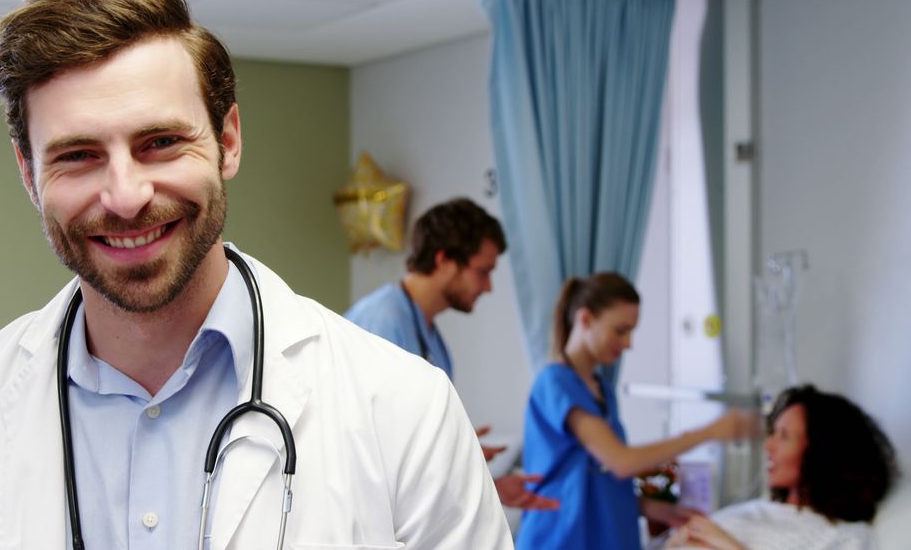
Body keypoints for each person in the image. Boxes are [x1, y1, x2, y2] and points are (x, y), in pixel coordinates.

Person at [0, 0, 512, 548]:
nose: (126, 195)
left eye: (160, 142)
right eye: (78, 154)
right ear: (29, 174)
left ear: (228, 141)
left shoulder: (404, 409)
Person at [345, 197, 557, 511]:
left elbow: (414, 447)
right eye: (482, 272)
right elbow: (372, 446)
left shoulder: (430, 337)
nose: (488, 287)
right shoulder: (382, 321)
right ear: (444, 260)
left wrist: (481, 479)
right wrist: (451, 450)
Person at [516, 272, 755, 549]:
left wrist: (656, 509)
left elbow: (600, 479)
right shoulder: (555, 383)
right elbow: (621, 463)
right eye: (620, 331)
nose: (628, 344)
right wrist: (710, 431)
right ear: (585, 320)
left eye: (631, 332)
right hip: (562, 539)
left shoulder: (602, 391)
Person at [666, 384, 899, 550]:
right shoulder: (756, 510)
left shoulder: (848, 537)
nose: (768, 445)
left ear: (821, 453)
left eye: (784, 436)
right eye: (772, 433)